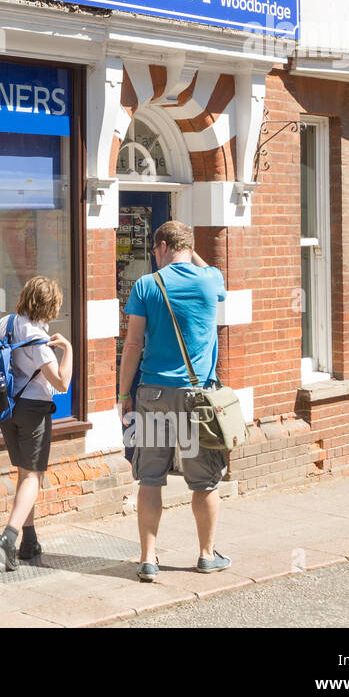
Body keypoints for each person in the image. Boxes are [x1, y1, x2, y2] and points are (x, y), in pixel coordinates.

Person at [117, 220, 229, 582]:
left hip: (152, 395)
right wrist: (189, 247)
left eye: (154, 249)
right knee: (204, 481)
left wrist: (123, 394)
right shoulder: (210, 280)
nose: (153, 256)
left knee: (150, 479)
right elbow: (202, 264)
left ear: (163, 245)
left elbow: (133, 345)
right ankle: (206, 555)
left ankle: (148, 559)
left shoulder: (146, 286)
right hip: (195, 399)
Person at [0, 275, 73, 570]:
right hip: (34, 410)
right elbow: (62, 383)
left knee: (24, 473)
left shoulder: (9, 323)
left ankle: (30, 540)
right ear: (51, 305)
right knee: (33, 477)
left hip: (7, 408)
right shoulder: (39, 340)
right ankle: (9, 537)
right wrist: (69, 350)